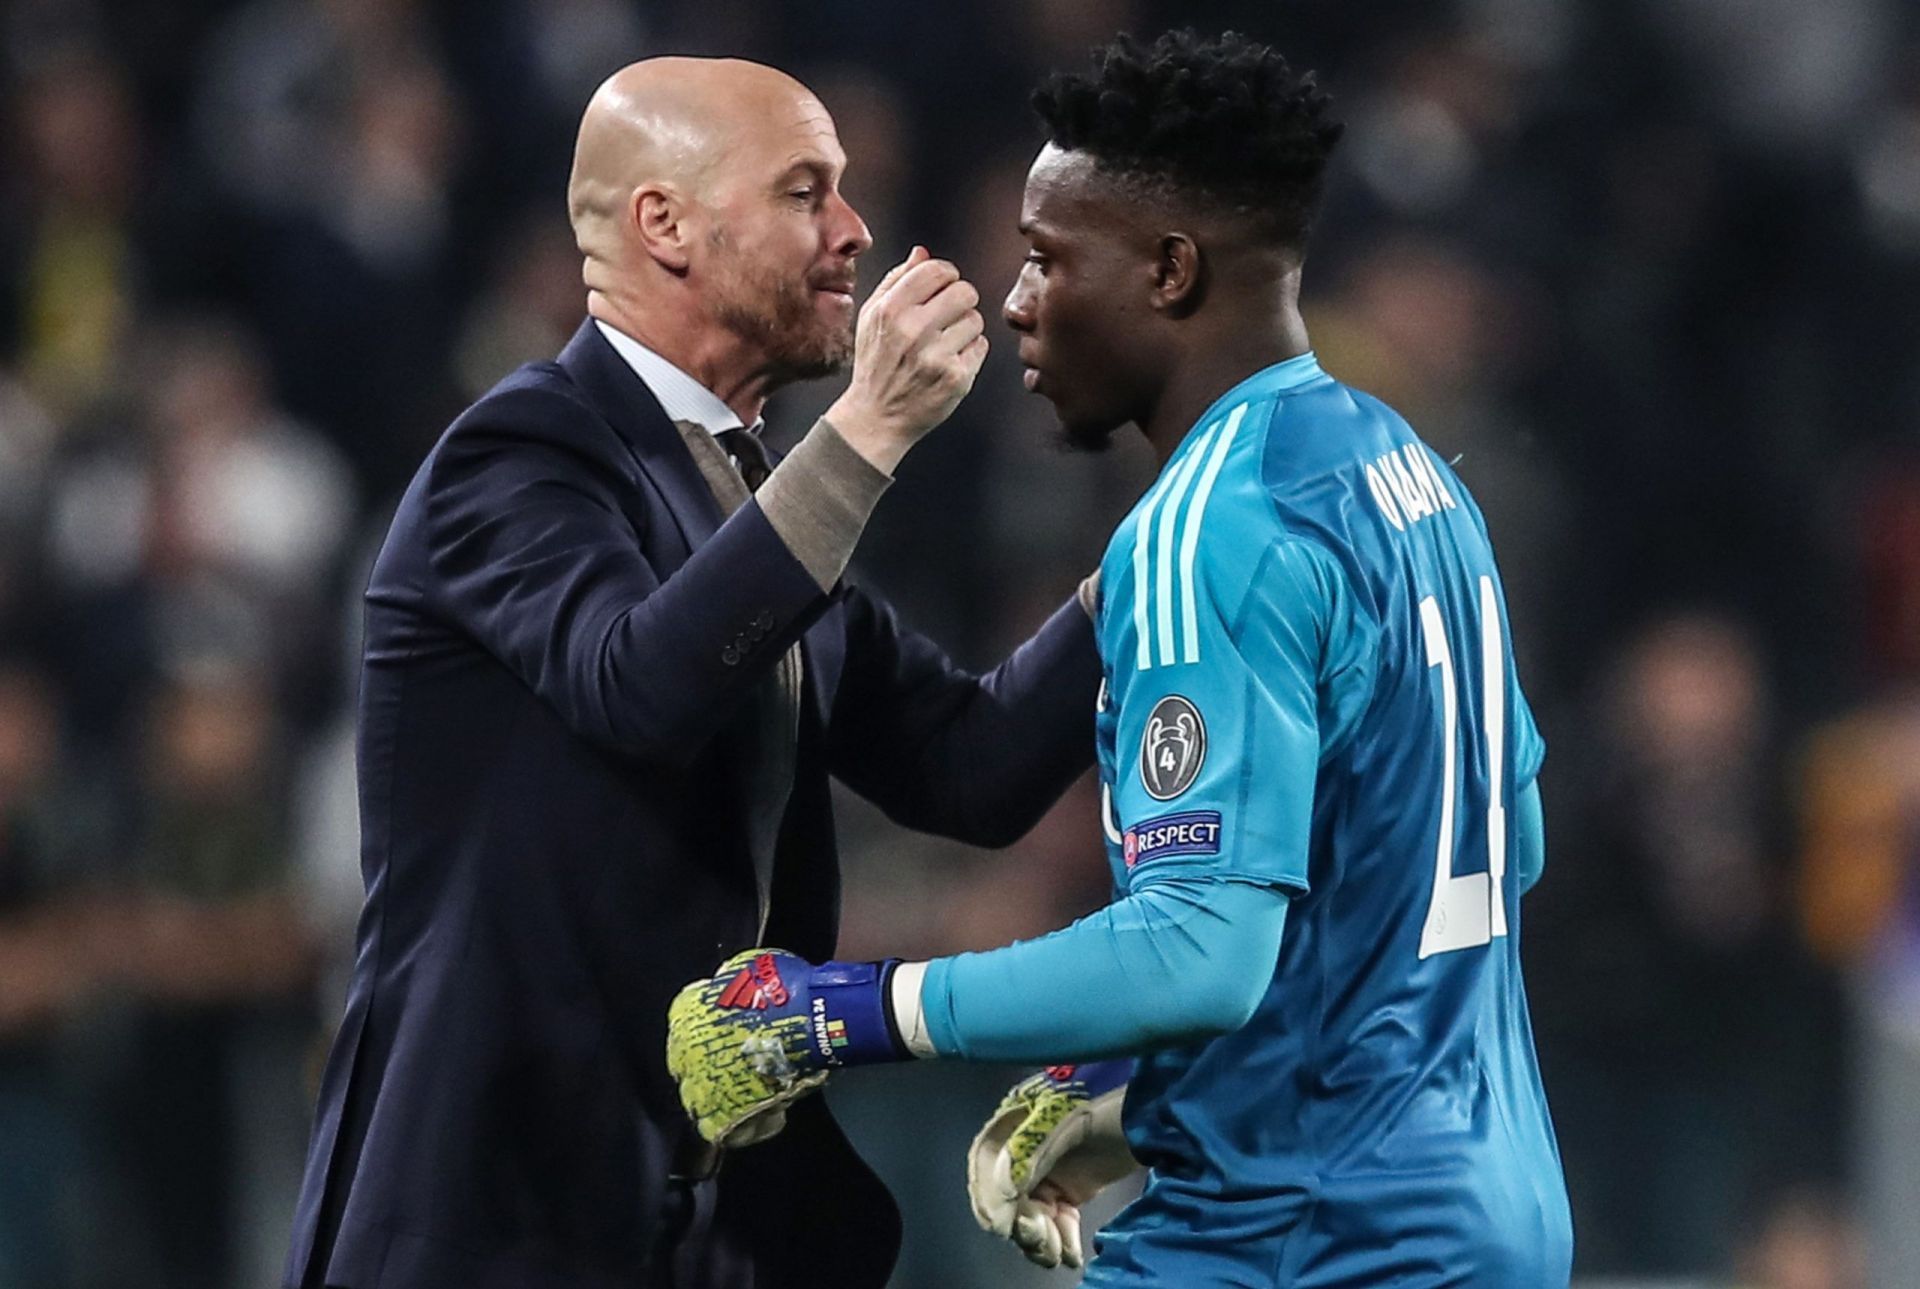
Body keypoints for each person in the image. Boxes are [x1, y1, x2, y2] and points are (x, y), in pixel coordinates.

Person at [667, 31, 1572, 1287]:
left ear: (1170, 270)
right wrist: (1136, 1086)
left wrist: (846, 1010)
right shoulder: (1408, 469)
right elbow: (1495, 842)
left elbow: (1195, 948)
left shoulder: (1212, 527)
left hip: (1295, 1239)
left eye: (1045, 259)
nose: (1018, 299)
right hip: (1489, 1215)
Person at [283, 56, 1103, 1289]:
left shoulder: (751, 496)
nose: (856, 229)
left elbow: (970, 767)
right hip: (499, 1222)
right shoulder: (517, 455)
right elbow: (643, 685)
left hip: (712, 1234)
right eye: (804, 190)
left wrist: (1160, 560)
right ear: (663, 223)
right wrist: (867, 432)